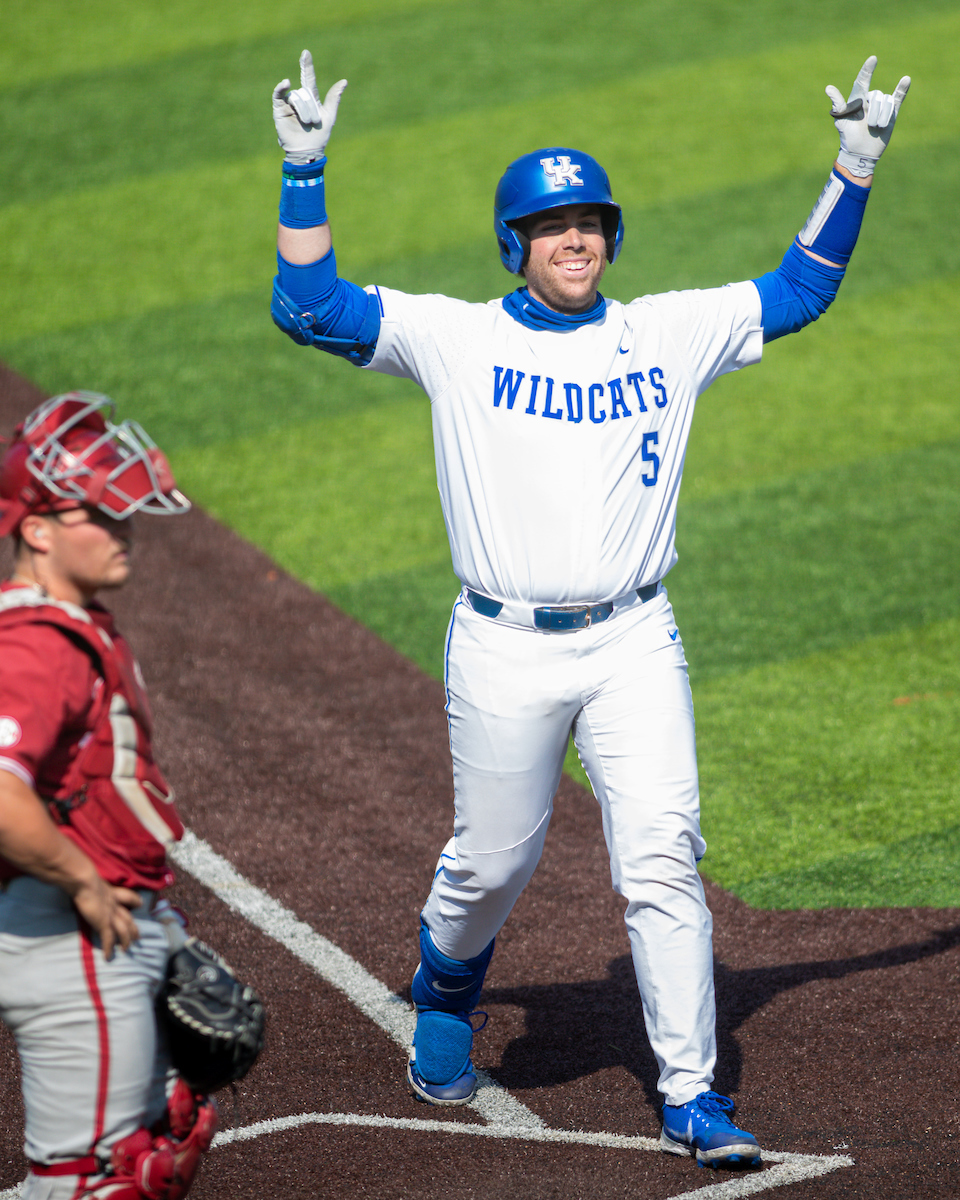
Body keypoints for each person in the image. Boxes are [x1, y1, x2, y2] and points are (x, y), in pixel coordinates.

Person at [269, 53, 909, 1167]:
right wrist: (305, 169)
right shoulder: (460, 339)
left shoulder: (666, 331)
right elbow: (306, 305)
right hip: (505, 647)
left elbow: (799, 290)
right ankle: (447, 984)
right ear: (514, 244)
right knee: (490, 862)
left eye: (592, 224)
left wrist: (854, 165)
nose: (576, 241)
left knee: (662, 859)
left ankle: (692, 1095)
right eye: (552, 226)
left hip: (633, 642)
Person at [0, 392, 217, 1199]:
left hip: (107, 930)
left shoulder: (77, 621)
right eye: (99, 516)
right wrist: (86, 880)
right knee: (93, 1183)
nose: (123, 531)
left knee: (164, 1136)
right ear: (37, 530)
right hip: (68, 938)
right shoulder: (38, 647)